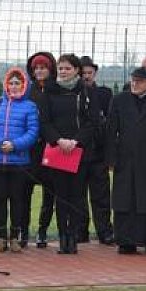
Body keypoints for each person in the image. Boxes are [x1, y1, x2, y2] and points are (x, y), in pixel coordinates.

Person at [38, 53, 102, 254]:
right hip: (58, 150)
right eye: (61, 68)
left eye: (68, 68)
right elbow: (44, 122)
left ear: (76, 70)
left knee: (76, 195)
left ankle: (73, 236)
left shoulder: (86, 92)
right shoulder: (49, 91)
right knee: (60, 195)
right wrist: (58, 140)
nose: (64, 72)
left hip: (79, 151)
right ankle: (63, 237)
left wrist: (76, 141)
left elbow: (92, 122)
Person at [105, 67, 146, 254]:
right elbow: (110, 130)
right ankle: (125, 241)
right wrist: (111, 158)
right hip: (125, 159)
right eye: (133, 80)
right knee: (124, 200)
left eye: (139, 81)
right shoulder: (119, 100)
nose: (134, 84)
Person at [0, 66, 39, 252]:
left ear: (24, 85)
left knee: (17, 200)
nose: (13, 86)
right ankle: (0, 237)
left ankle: (15, 237)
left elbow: (32, 132)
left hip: (19, 162)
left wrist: (14, 145)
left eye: (17, 83)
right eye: (11, 83)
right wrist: (0, 143)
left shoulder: (30, 107)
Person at [79, 56, 114, 245]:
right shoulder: (73, 95)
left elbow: (110, 124)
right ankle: (80, 231)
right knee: (78, 195)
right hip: (78, 152)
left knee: (101, 195)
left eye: (89, 73)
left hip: (98, 153)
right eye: (83, 73)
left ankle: (105, 231)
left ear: (95, 73)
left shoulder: (105, 94)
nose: (86, 76)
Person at [25, 51, 57, 248]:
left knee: (50, 193)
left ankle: (42, 230)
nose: (39, 71)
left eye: (43, 67)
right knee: (24, 191)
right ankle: (22, 230)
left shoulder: (56, 90)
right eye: (36, 68)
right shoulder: (27, 91)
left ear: (50, 69)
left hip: (51, 147)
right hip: (30, 149)